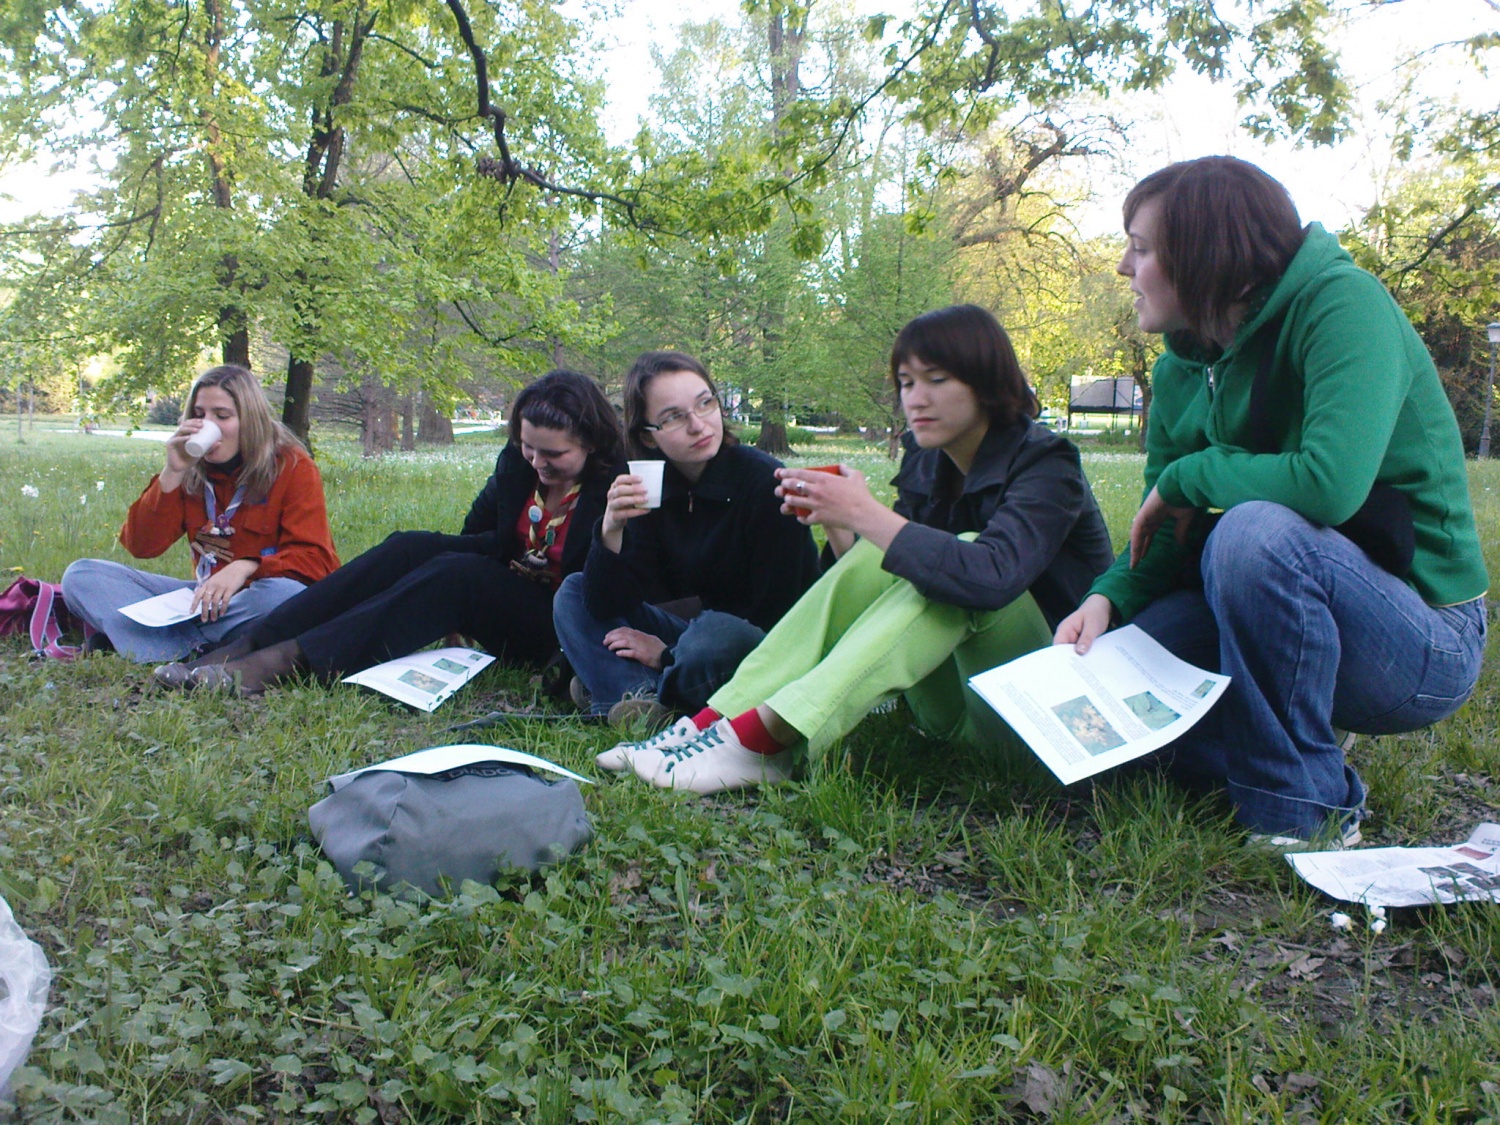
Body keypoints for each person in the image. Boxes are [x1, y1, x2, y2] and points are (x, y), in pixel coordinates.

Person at [1054, 155, 1489, 846]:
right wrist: (1108, 598)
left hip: (1421, 638)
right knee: (1117, 696)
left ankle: (1301, 810)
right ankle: (1276, 744)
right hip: (1278, 611)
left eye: (1139, 248)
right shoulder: (1178, 368)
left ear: (1204, 253)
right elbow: (1161, 530)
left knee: (1253, 534)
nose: (1121, 267)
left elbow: (1329, 484)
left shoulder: (1344, 306)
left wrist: (1193, 474)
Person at [598, 305, 1116, 794]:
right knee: (900, 557)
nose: (916, 398)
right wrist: (843, 522)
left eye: (937, 379)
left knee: (956, 559)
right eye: (907, 382)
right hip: (947, 710)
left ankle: (764, 740)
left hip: (1044, 714)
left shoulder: (1048, 463)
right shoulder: (928, 464)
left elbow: (990, 577)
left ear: (986, 381)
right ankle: (716, 721)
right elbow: (881, 582)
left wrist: (866, 514)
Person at [155, 368, 623, 694]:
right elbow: (481, 538)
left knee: (457, 576)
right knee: (409, 547)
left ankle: (282, 664)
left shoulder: (615, 487)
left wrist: (461, 585)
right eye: (528, 448)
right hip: (509, 595)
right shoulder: (518, 467)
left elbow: (607, 592)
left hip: (563, 626)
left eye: (554, 456)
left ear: (591, 444)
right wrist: (430, 573)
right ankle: (246, 644)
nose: (538, 464)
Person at [552, 350, 821, 725]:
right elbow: (606, 604)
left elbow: (779, 623)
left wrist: (667, 652)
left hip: (747, 642)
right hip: (687, 632)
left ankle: (632, 687)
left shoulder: (765, 484)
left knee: (718, 634)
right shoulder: (653, 486)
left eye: (705, 403)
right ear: (647, 438)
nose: (699, 425)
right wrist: (611, 530)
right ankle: (643, 700)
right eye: (674, 417)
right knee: (574, 591)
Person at [62, 365, 339, 663]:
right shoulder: (191, 469)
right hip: (202, 599)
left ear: (250, 421)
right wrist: (173, 471)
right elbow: (142, 546)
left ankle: (153, 644)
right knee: (82, 576)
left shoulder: (292, 466)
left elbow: (318, 561)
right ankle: (196, 646)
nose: (208, 425)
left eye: (222, 416)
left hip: (253, 598)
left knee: (284, 596)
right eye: (199, 414)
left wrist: (248, 567)